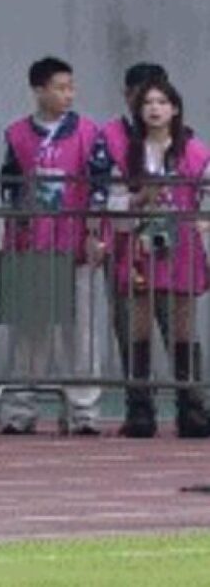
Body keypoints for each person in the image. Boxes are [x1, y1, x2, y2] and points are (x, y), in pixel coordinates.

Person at [94, 78, 210, 438]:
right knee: (137, 326)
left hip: (180, 246)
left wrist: (202, 220)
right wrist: (137, 199)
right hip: (138, 246)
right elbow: (111, 201)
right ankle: (140, 409)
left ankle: (191, 408)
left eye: (161, 102)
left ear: (174, 109)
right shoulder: (129, 153)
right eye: (147, 103)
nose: (154, 109)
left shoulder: (195, 151)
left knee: (182, 327)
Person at [0, 57, 103, 435]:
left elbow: (99, 188)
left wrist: (95, 233)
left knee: (79, 334)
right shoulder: (16, 135)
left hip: (74, 244)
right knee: (30, 331)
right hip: (31, 244)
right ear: (39, 90)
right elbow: (9, 188)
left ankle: (83, 413)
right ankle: (19, 411)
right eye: (60, 88)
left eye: (71, 87)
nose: (68, 94)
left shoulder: (89, 133)